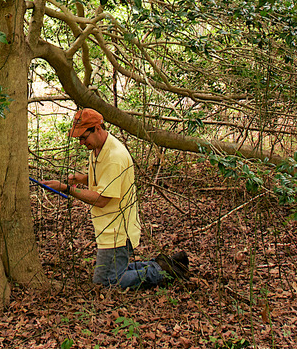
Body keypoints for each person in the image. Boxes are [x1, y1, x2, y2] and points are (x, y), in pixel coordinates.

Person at [40, 107, 190, 288]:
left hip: (118, 231)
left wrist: (66, 189)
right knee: (113, 274)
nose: (81, 142)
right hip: (108, 227)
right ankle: (165, 264)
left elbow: (103, 199)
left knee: (106, 282)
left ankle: (165, 271)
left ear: (97, 128)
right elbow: (106, 178)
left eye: (83, 137)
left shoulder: (114, 156)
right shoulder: (97, 149)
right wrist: (81, 179)